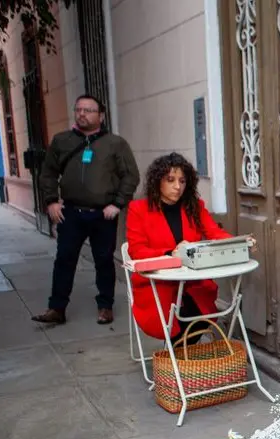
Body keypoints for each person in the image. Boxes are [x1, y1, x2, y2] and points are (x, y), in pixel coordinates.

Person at [31, 94, 140, 326]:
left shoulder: (115, 144)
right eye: (78, 109)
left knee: (103, 260)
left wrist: (118, 203)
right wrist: (51, 201)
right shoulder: (62, 141)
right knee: (64, 260)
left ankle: (105, 306)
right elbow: (48, 173)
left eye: (88, 110)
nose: (82, 114)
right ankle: (56, 308)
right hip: (70, 213)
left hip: (103, 214)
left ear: (100, 115)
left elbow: (130, 176)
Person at [125, 152, 245, 343]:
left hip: (192, 282)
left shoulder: (194, 206)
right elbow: (137, 251)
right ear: (158, 181)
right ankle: (178, 362)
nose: (177, 186)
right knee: (173, 319)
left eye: (182, 181)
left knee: (199, 315)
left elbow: (214, 232)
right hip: (157, 283)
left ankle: (178, 361)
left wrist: (239, 244)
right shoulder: (138, 209)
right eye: (170, 180)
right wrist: (170, 254)